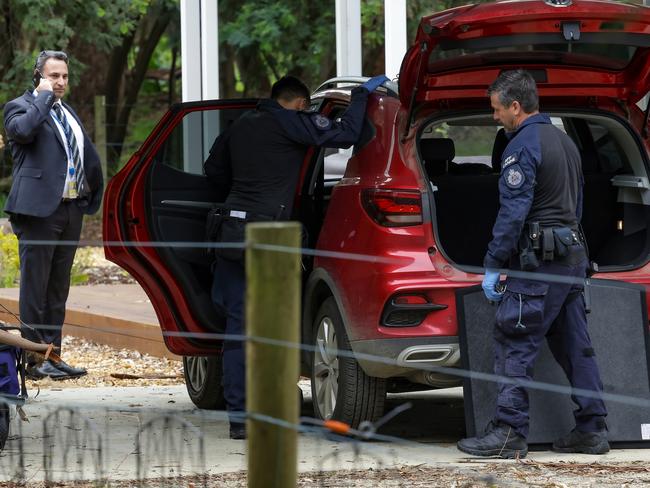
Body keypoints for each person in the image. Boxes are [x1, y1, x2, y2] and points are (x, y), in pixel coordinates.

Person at [204, 74, 388, 439]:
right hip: (269, 237)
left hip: (231, 233)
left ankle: (240, 417)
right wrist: (360, 97)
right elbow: (347, 134)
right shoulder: (291, 122)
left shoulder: (242, 124)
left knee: (238, 330)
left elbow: (214, 171)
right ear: (301, 104)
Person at [457, 70, 609, 458]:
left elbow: (513, 213)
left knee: (515, 342)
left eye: (496, 110)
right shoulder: (564, 140)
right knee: (576, 346)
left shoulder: (521, 146)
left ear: (515, 106)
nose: (495, 118)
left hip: (539, 265)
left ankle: (509, 433)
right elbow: (576, 206)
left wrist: (493, 263)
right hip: (572, 257)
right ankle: (592, 429)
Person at [3, 50, 104, 380]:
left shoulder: (68, 112)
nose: (61, 82)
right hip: (38, 212)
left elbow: (82, 155)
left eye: (64, 76)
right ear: (39, 76)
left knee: (58, 290)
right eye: (54, 76)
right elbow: (22, 132)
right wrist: (43, 98)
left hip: (70, 209)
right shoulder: (21, 106)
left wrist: (88, 196)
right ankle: (33, 361)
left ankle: (53, 356)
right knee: (36, 288)